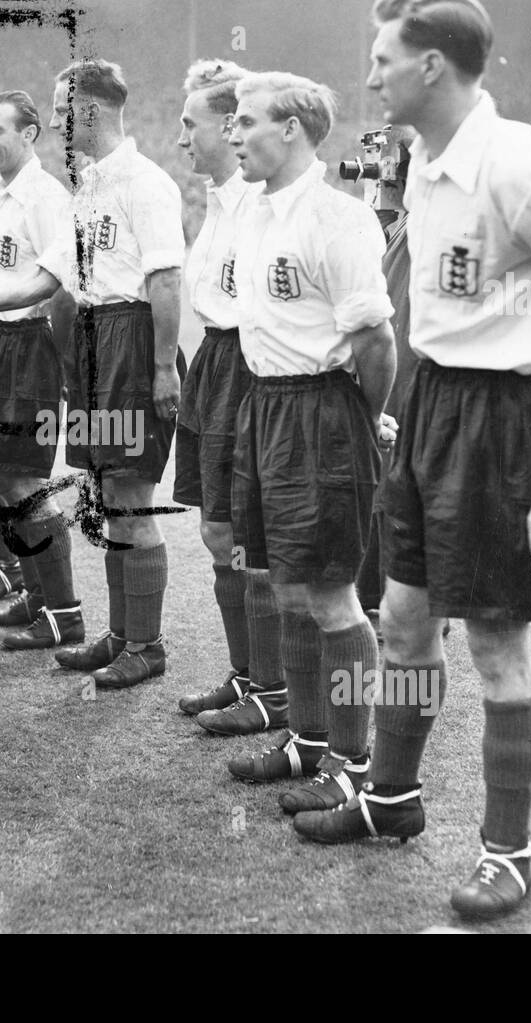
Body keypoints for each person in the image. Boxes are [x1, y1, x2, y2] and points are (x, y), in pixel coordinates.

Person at [294, 0, 531, 923]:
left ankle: (511, 852)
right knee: (407, 617)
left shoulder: (526, 164)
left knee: (498, 639)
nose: (370, 74)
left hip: (507, 418)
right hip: (432, 407)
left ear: (431, 66)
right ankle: (389, 796)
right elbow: (424, 297)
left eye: (383, 59)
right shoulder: (421, 159)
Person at [218, 72, 396, 807]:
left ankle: (354, 764)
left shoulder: (339, 218)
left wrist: (360, 418)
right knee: (284, 586)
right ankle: (310, 741)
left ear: (291, 128)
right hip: (265, 406)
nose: (233, 133)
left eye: (246, 120)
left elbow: (377, 339)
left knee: (330, 594)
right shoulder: (256, 211)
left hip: (320, 414)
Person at [46, 59, 184, 689]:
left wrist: (160, 368)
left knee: (130, 497)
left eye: (60, 108)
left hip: (130, 341)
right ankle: (122, 635)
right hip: (94, 338)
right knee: (105, 497)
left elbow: (164, 280)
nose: (54, 120)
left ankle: (147, 646)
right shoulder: (90, 183)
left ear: (90, 111)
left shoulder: (146, 182)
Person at [170, 59, 287, 736]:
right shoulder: (217, 201)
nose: (182, 137)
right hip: (214, 361)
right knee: (218, 532)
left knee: (253, 535)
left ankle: (273, 690)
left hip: (251, 364)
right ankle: (246, 675)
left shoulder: (262, 197)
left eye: (192, 124)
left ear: (227, 123)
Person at [0, 90, 82, 649]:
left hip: (26, 347)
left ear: (29, 135)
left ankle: (65, 614)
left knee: (25, 480)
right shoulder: (3, 194)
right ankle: (36, 593)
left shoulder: (47, 196)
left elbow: (52, 283)